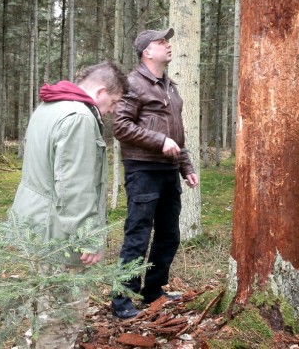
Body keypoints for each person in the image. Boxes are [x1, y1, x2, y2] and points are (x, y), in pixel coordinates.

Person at [11, 61, 128, 348]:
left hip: (34, 224)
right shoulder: (79, 118)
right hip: (59, 234)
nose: (113, 111)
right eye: (113, 102)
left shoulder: (49, 106)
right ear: (101, 91)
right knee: (62, 317)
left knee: (45, 305)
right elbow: (75, 186)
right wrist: (87, 237)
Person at [111, 28, 199, 319]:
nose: (168, 45)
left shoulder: (170, 87)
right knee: (137, 235)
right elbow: (121, 127)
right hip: (143, 169)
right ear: (147, 52)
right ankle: (122, 300)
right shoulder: (132, 83)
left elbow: (177, 134)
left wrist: (186, 167)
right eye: (162, 42)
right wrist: (159, 141)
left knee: (169, 235)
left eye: (167, 41)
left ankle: (153, 291)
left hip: (169, 171)